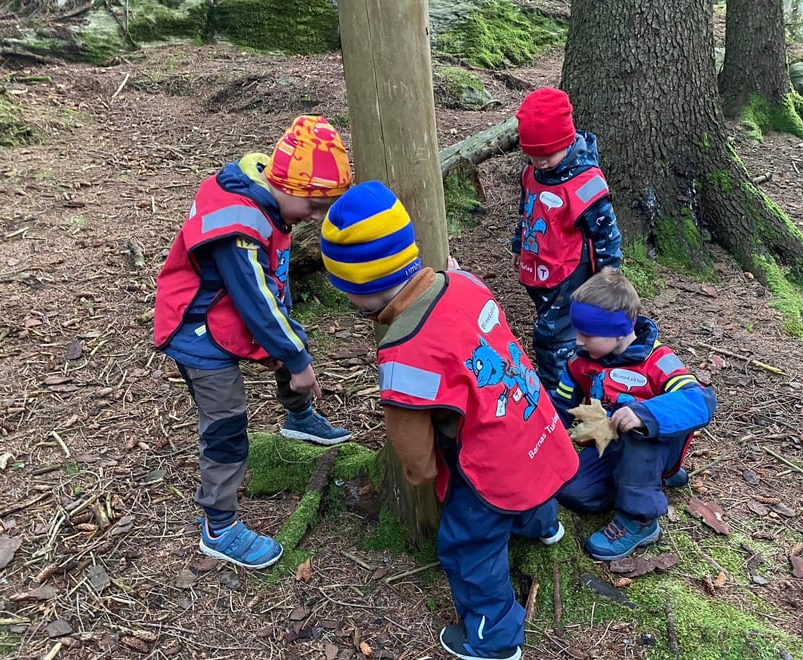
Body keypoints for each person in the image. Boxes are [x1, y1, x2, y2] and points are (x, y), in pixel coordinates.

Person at [320, 180, 579, 660]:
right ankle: (542, 525)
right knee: (530, 473)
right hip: (534, 421)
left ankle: (493, 637)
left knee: (467, 543)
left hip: (492, 461)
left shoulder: (403, 352)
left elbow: (415, 456)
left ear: (359, 290)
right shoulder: (462, 283)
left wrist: (428, 477)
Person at [153, 116, 353, 569]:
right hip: (199, 328)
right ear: (286, 184)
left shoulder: (268, 194)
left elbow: (263, 302)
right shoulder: (240, 224)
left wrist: (292, 351)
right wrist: (297, 358)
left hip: (236, 311)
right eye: (313, 205)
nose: (315, 218)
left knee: (288, 345)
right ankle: (219, 526)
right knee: (225, 421)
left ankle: (299, 417)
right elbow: (255, 301)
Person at [551, 270, 717, 561]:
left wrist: (645, 413)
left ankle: (640, 520)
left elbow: (700, 401)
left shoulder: (656, 361)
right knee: (572, 491)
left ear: (618, 330)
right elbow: (560, 406)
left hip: (653, 447)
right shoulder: (580, 363)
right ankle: (644, 484)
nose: (578, 341)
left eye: (587, 334)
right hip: (610, 450)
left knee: (637, 430)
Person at [512, 86, 623, 392]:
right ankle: (583, 375)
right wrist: (519, 245)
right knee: (553, 324)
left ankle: (558, 394)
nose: (541, 161)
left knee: (552, 337)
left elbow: (605, 232)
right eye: (533, 155)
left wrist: (608, 274)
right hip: (538, 267)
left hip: (569, 272)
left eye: (548, 154)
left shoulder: (585, 183)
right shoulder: (531, 174)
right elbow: (527, 212)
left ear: (566, 141)